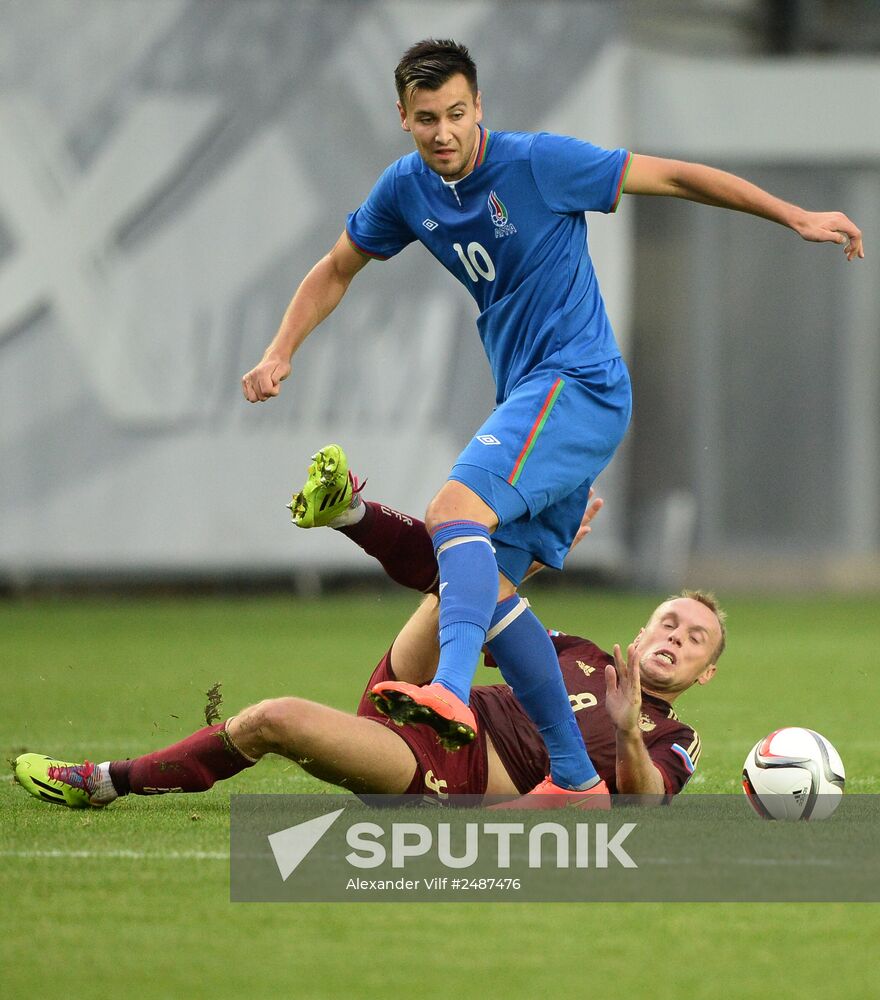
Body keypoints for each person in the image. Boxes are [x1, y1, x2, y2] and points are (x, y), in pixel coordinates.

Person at [240, 40, 858, 803]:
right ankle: (573, 779)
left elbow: (674, 175)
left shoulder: (537, 164)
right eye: (427, 118)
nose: (444, 132)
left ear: (480, 109)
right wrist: (280, 349)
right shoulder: (405, 190)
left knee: (452, 510)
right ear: (402, 117)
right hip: (534, 403)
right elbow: (338, 267)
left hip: (580, 385)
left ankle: (452, 690)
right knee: (483, 578)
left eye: (458, 114)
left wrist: (793, 214)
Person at [13, 450, 724, 810]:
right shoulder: (577, 651)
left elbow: (641, 805)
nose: (676, 637)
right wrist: (525, 567)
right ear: (641, 626)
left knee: (272, 720)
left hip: (457, 771)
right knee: (468, 579)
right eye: (670, 620)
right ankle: (348, 511)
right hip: (417, 705)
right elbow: (487, 616)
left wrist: (629, 730)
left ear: (704, 675)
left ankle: (105, 782)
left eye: (695, 640)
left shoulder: (674, 738)